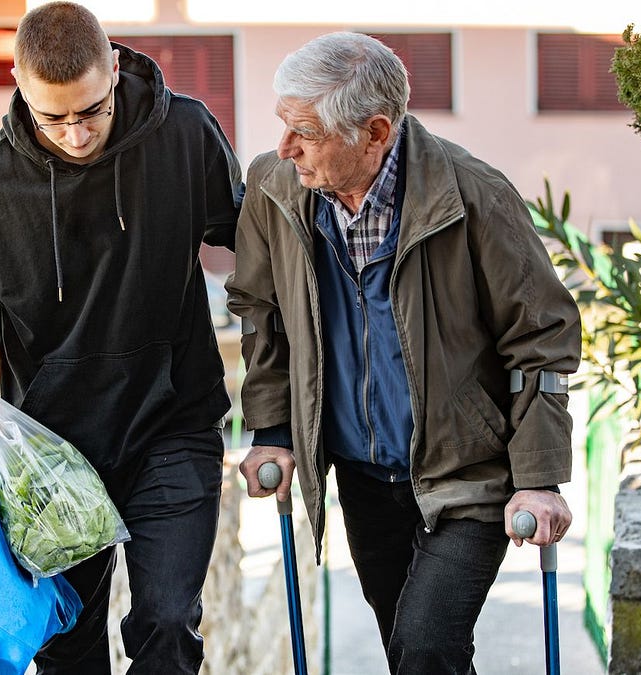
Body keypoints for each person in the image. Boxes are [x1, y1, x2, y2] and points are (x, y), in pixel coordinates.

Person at [227, 32, 582, 674]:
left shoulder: (475, 196)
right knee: (411, 654)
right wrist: (273, 430)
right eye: (284, 124)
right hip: (363, 475)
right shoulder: (275, 188)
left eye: (305, 132)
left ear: (375, 133)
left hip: (467, 472)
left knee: (425, 646)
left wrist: (538, 477)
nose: (285, 147)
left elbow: (540, 339)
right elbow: (263, 313)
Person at [0, 3, 243, 673]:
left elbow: (252, 239)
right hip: (52, 448)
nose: (75, 134)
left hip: (173, 422)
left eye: (92, 111)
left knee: (166, 622)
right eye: (54, 118)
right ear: (19, 85)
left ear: (115, 68)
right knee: (68, 648)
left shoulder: (185, 135)